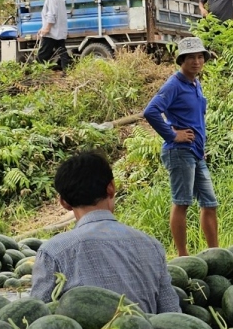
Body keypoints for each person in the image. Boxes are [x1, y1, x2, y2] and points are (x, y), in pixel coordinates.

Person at [28, 151, 180, 313]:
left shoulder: (53, 252)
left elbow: (37, 317)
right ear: (111, 188)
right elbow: (172, 315)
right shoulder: (152, 245)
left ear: (63, 202)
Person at [144, 37, 219, 256]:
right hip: (179, 152)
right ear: (181, 60)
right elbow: (151, 111)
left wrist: (201, 145)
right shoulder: (174, 84)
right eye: (191, 58)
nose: (196, 61)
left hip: (195, 152)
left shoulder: (196, 83)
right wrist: (172, 134)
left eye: (199, 57)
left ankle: (215, 252)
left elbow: (196, 119)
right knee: (182, 202)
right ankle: (183, 256)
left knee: (210, 203)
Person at [35, 0, 72, 70]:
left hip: (51, 32)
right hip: (57, 31)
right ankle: (67, 70)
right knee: (61, 51)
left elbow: (52, 14)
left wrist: (46, 28)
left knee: (42, 55)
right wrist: (43, 27)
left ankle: (40, 73)